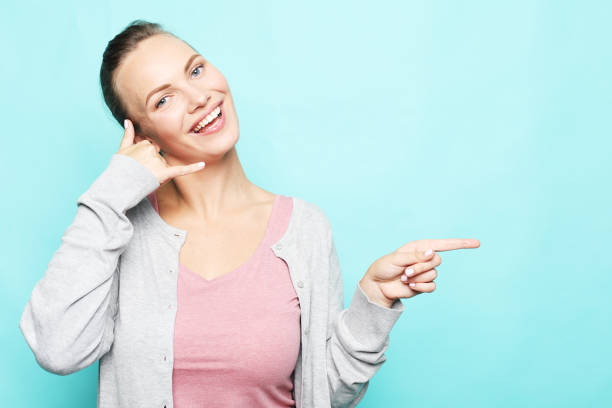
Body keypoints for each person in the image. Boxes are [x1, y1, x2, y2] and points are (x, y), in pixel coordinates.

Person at [19, 19, 480, 408]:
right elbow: (58, 349)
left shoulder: (304, 228)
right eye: (164, 98)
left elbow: (327, 393)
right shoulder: (118, 232)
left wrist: (373, 301)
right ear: (141, 137)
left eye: (196, 70)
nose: (199, 96)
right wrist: (110, 194)